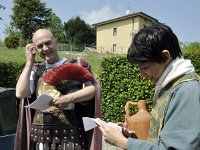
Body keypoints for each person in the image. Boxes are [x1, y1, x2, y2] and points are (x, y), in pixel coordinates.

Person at [97, 23, 200, 149]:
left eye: (144, 67)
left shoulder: (187, 91)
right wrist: (130, 137)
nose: (141, 74)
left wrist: (124, 143)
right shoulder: (168, 86)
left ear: (165, 56)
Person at [15, 29, 102, 150]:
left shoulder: (75, 65)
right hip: (41, 136)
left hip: (70, 135)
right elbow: (20, 93)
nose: (45, 48)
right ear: (34, 49)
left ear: (56, 42)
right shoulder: (34, 70)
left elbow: (92, 91)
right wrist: (29, 62)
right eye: (39, 46)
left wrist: (68, 98)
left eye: (48, 43)